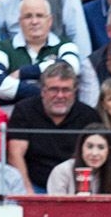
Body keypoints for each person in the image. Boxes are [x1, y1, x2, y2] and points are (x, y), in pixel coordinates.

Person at [6, 63, 101, 193]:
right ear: (43, 91)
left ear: (75, 91)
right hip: (34, 186)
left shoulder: (89, 116)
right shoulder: (24, 110)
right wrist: (28, 193)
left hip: (74, 188)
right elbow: (15, 155)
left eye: (66, 90)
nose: (60, 95)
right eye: (53, 89)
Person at [0, 0, 80, 107]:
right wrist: (42, 94)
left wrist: (23, 73)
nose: (34, 21)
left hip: (57, 110)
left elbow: (71, 67)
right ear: (20, 21)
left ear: (50, 20)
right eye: (28, 16)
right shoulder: (3, 47)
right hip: (14, 111)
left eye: (40, 16)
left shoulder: (65, 44)